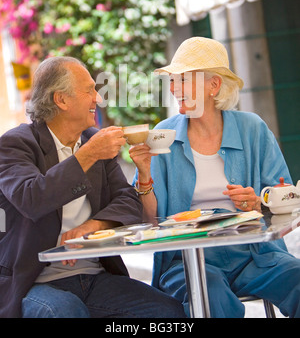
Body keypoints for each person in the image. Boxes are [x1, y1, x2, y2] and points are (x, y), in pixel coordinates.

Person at [0, 56, 185, 319]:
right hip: (35, 282)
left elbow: (127, 199)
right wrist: (87, 155)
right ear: (61, 100)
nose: (97, 99)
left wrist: (94, 226)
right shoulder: (16, 144)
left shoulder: (91, 141)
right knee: (66, 311)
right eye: (88, 90)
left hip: (95, 277)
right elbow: (31, 198)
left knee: (168, 311)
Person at [130, 37, 300, 318]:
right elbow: (149, 221)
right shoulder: (163, 135)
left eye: (183, 80)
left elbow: (288, 200)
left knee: (296, 277)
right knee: (210, 295)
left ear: (214, 85)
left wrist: (258, 203)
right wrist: (145, 176)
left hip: (254, 253)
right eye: (173, 80)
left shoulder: (253, 129)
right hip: (188, 261)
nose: (173, 88)